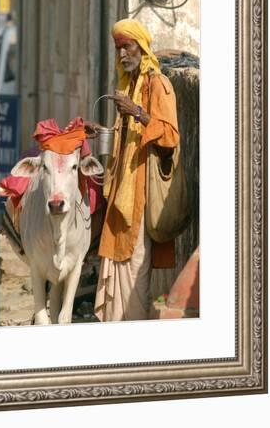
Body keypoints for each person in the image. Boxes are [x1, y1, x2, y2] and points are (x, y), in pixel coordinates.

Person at [86, 18, 180, 322]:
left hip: (140, 198)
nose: (123, 54)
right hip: (120, 197)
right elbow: (126, 142)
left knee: (134, 277)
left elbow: (170, 137)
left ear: (141, 46)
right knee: (118, 271)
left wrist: (137, 113)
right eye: (118, 48)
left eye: (127, 46)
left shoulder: (158, 84)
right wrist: (100, 130)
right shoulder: (129, 88)